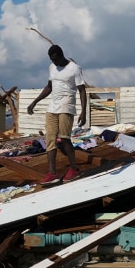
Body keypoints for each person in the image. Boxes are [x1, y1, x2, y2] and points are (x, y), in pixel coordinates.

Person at [27, 44, 87, 184]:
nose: (54, 62)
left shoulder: (74, 68)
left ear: (61, 55)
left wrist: (83, 112)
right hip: (52, 107)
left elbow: (82, 90)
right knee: (50, 140)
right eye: (52, 60)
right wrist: (34, 101)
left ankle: (74, 170)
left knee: (65, 138)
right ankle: (52, 173)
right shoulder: (52, 67)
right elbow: (49, 87)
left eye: (56, 59)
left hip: (66, 106)